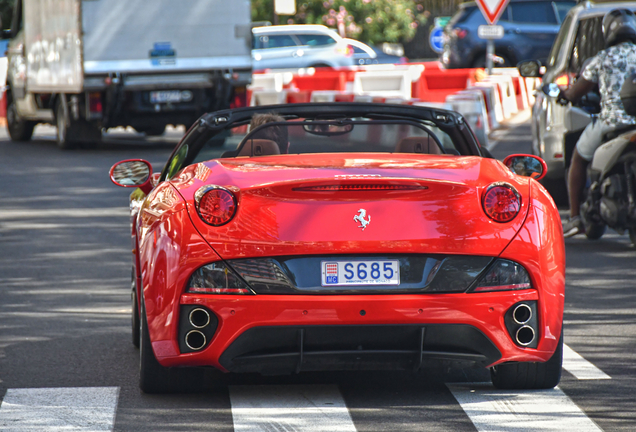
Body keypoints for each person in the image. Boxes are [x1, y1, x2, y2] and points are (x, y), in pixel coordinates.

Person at [560, 8, 636, 237]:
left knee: (578, 159)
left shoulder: (602, 59)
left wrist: (566, 95)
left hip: (611, 123)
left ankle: (574, 217)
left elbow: (576, 92)